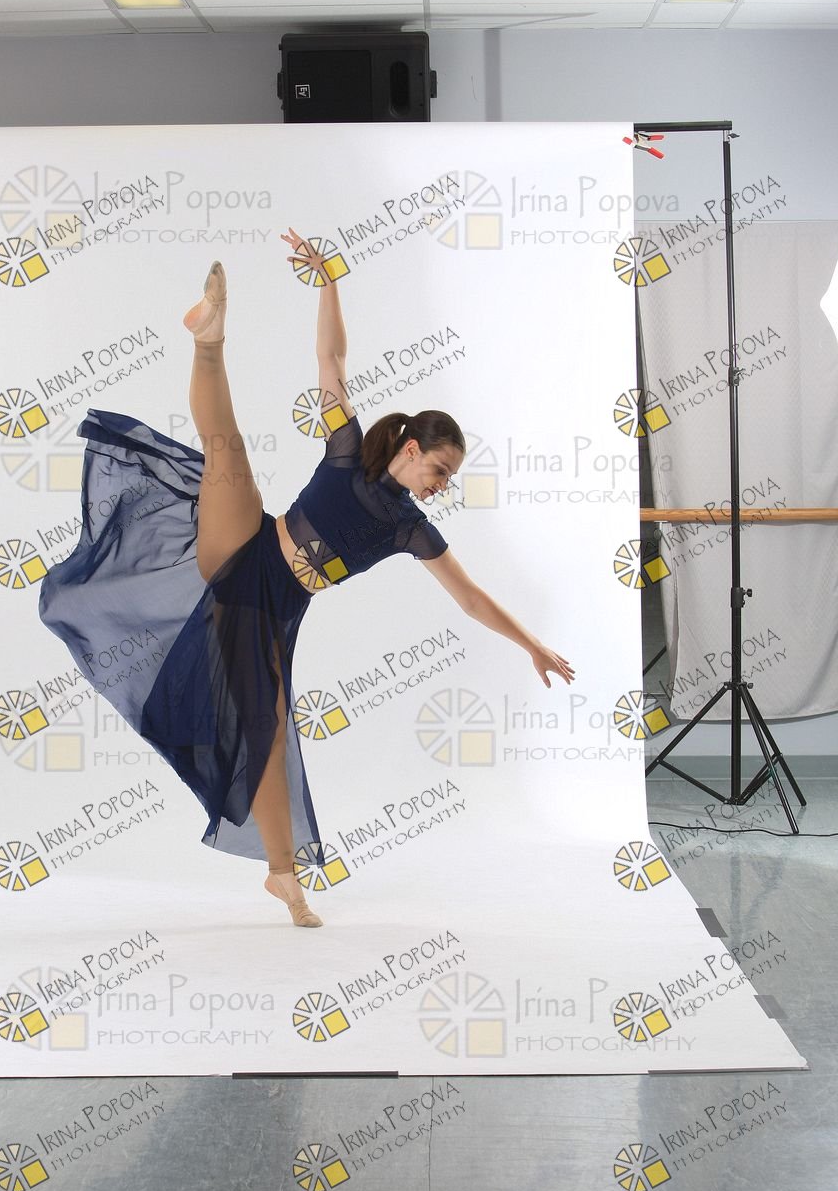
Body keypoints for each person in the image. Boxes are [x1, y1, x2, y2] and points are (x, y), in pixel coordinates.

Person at [38, 233, 574, 929]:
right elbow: (332, 359)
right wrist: (328, 280)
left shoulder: (410, 530)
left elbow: (470, 597)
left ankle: (282, 876)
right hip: (248, 546)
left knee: (267, 733)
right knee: (225, 448)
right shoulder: (347, 451)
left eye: (447, 478)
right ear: (411, 449)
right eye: (439, 470)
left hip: (275, 609)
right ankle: (209, 338)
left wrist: (531, 644)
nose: (441, 485)